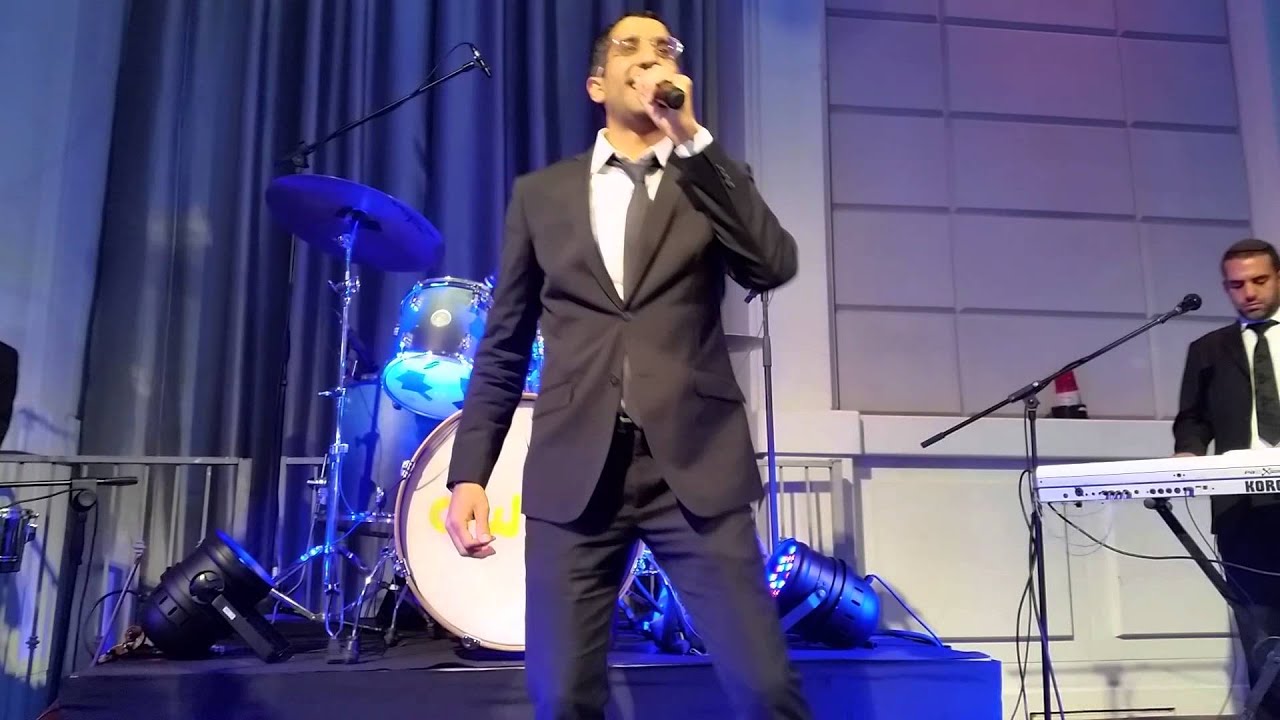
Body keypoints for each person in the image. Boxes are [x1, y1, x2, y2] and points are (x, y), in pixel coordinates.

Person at [442, 10, 812, 720]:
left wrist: (690, 138)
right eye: (630, 48)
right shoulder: (541, 195)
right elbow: (504, 344)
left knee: (766, 689)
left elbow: (772, 264)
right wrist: (469, 475)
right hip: (575, 471)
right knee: (562, 697)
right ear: (596, 84)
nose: (649, 59)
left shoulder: (709, 179)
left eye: (664, 49)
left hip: (694, 468)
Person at [1174, 237, 1280, 718]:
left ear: (1277, 278)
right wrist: (1188, 452)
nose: (1249, 293)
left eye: (1259, 280)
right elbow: (1193, 418)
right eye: (1237, 285)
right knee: (1261, 634)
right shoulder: (1208, 350)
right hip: (1242, 507)